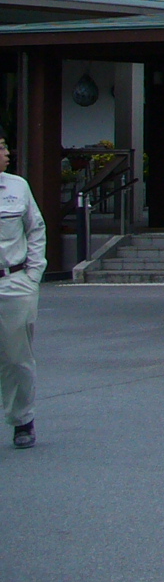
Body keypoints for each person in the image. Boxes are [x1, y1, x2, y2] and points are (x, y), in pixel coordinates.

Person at [0, 134, 45, 449]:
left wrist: (33, 273)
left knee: (18, 358)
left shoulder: (18, 187)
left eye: (5, 145)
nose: (6, 152)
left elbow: (36, 228)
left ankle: (22, 420)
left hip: (14, 282)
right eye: (1, 147)